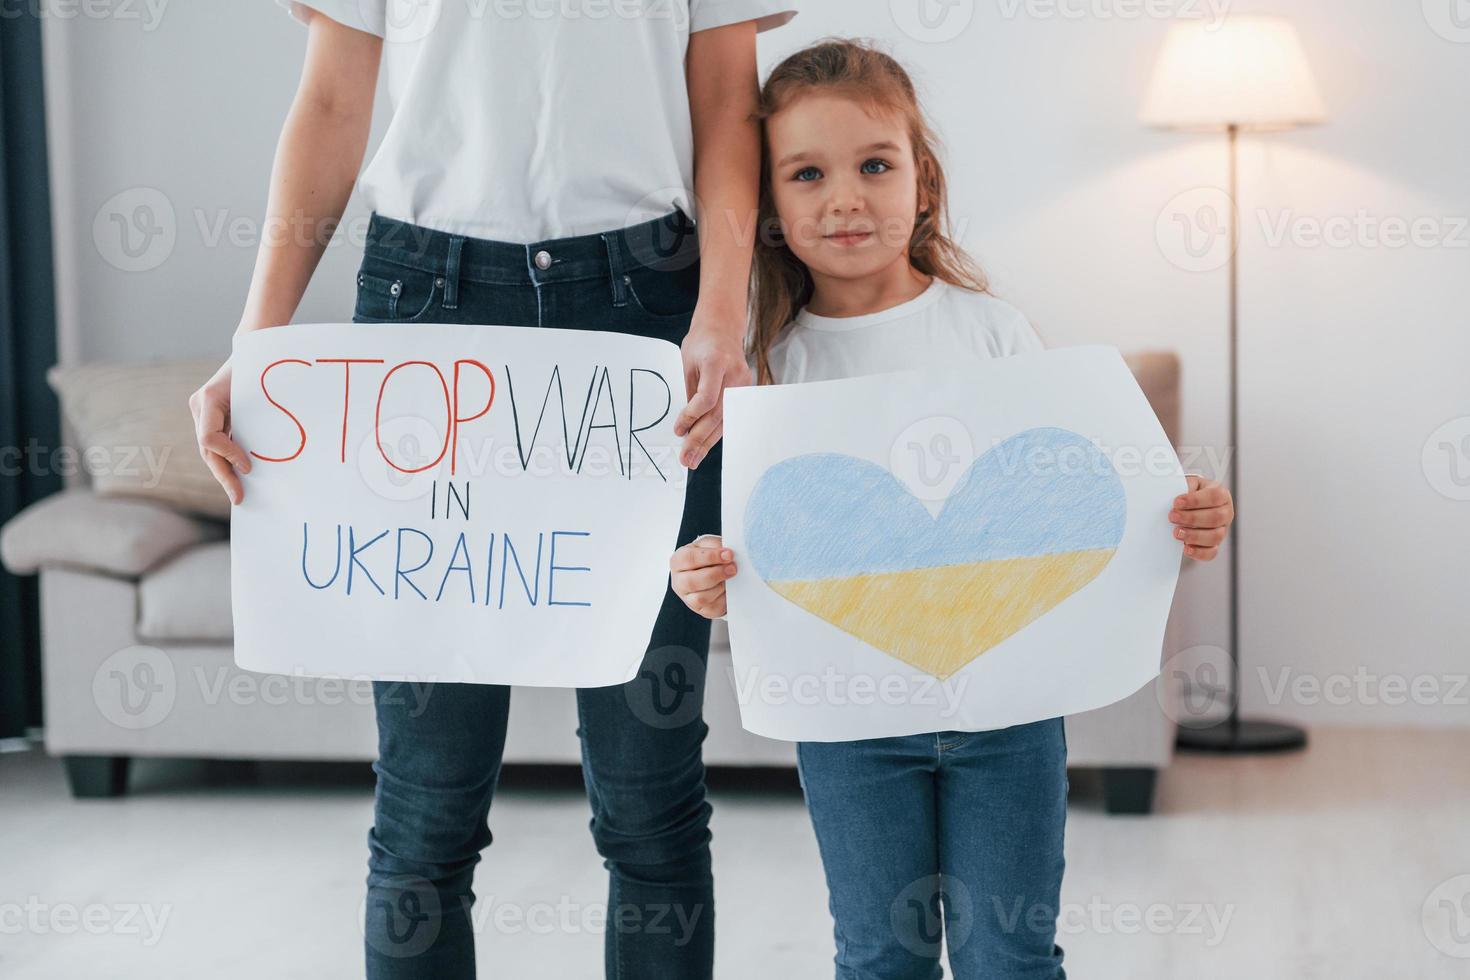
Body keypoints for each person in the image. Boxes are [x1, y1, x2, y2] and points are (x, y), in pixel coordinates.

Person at [189, 2, 799, 976]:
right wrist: (254, 344)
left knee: (651, 798)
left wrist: (724, 311)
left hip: (643, 306)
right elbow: (334, 95)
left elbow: (729, 98)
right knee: (425, 799)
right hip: (422, 303)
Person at [669, 39, 1236, 980]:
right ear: (766, 208)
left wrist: (1187, 516)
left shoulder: (995, 332)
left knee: (1010, 955)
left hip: (1011, 716)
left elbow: (1087, 499)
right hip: (848, 724)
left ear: (922, 184)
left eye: (874, 166)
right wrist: (708, 574)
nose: (844, 198)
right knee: (878, 956)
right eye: (806, 174)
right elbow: (745, 546)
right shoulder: (763, 369)